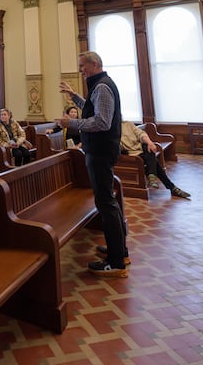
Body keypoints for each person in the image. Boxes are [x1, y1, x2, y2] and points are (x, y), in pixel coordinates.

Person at [56, 51, 128, 278]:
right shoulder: (100, 86)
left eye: (82, 66)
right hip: (100, 151)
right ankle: (119, 249)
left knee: (106, 202)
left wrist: (72, 123)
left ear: (94, 64)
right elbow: (93, 107)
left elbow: (102, 121)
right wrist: (75, 96)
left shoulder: (103, 86)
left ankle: (116, 261)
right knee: (107, 201)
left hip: (100, 152)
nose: (80, 70)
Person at [120, 121, 190, 198]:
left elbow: (141, 134)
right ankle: (170, 186)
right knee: (155, 162)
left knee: (151, 149)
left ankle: (153, 177)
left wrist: (150, 143)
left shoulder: (127, 124)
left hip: (142, 150)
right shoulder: (112, 129)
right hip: (131, 155)